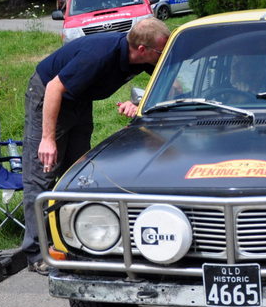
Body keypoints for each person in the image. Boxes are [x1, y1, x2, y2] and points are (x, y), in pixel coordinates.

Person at [21, 18, 171, 271]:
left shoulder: (145, 58)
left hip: (80, 99)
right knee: (42, 173)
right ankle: (37, 254)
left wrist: (139, 102)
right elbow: (54, 87)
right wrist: (47, 139)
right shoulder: (98, 55)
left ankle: (73, 242)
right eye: (161, 51)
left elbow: (169, 83)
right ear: (142, 49)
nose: (163, 56)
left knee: (77, 173)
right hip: (49, 96)